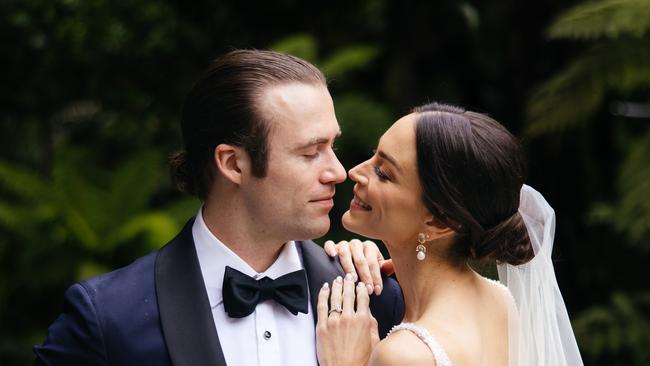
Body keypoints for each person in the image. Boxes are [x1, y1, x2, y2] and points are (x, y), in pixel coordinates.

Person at [33, 50, 404, 366]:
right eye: (310, 153)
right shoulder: (107, 318)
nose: (338, 172)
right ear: (233, 164)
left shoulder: (374, 298)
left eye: (332, 147)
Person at [316, 103, 583, 365]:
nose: (353, 172)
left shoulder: (405, 355)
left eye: (383, 173)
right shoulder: (499, 301)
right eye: (375, 154)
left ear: (440, 222)